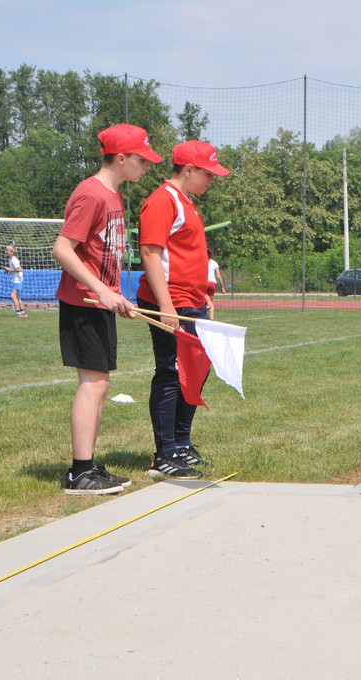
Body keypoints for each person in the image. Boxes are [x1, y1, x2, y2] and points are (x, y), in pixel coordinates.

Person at [52, 123, 162, 495]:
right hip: (82, 301)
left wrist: (117, 296)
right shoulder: (91, 194)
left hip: (99, 299)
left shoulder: (113, 196)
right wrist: (101, 290)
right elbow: (62, 248)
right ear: (120, 158)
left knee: (101, 383)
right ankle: (80, 472)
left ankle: (88, 465)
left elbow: (103, 256)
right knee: (93, 383)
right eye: (141, 159)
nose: (147, 165)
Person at [136, 140, 231, 480]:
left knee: (195, 372)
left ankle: (181, 443)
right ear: (188, 170)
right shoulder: (162, 201)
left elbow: (192, 254)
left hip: (190, 301)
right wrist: (165, 305)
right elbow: (149, 253)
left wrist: (205, 291)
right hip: (171, 304)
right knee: (172, 373)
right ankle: (164, 453)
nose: (212, 180)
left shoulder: (187, 202)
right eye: (208, 174)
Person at [4, 244, 28, 317]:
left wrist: (10, 269)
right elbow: (14, 270)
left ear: (12, 252)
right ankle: (22, 312)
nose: (6, 251)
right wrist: (8, 271)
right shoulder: (10, 259)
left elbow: (20, 269)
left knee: (13, 295)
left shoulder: (14, 260)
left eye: (7, 250)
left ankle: (18, 313)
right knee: (17, 296)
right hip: (16, 280)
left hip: (18, 280)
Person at [206, 246, 226, 320]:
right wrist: (222, 287)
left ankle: (201, 316)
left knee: (200, 302)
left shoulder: (200, 261)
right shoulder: (214, 263)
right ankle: (211, 319)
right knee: (210, 303)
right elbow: (218, 276)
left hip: (203, 283)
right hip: (212, 284)